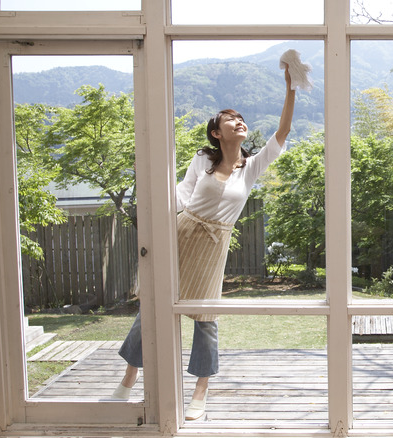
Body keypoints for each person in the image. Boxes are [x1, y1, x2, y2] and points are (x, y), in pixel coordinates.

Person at [112, 64, 296, 421]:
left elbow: (283, 131)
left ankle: (200, 390)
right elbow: (181, 194)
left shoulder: (253, 167)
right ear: (216, 132)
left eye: (241, 118)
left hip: (214, 246)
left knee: (206, 317)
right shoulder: (202, 159)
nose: (239, 122)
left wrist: (290, 87)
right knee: (152, 306)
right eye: (231, 119)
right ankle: (130, 378)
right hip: (182, 233)